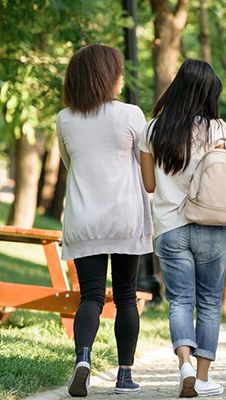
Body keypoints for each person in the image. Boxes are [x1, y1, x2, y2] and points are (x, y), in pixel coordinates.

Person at [57, 44, 152, 397]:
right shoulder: (131, 114)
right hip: (124, 218)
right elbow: (146, 165)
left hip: (84, 220)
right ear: (106, 76)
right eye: (119, 72)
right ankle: (124, 376)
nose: (122, 78)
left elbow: (70, 163)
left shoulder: (64, 118)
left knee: (91, 297)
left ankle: (83, 359)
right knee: (126, 296)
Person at [139, 60, 226, 398]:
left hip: (169, 226)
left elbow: (149, 184)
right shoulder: (218, 129)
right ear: (209, 93)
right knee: (208, 302)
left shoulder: (152, 130)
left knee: (179, 301)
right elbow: (224, 177)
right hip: (211, 224)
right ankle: (204, 378)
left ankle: (185, 366)